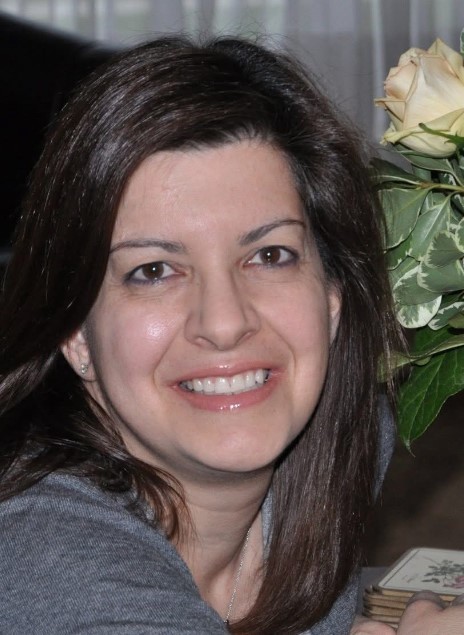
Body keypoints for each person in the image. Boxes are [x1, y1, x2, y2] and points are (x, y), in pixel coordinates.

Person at [0, 35, 459, 635]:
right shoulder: (49, 557)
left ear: (332, 296)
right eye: (153, 271)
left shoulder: (345, 441)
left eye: (269, 255)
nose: (224, 322)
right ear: (74, 334)